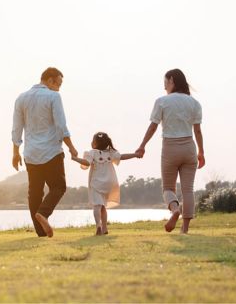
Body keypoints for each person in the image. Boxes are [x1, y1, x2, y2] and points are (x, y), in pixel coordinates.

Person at [136, 69, 205, 234]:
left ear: (172, 80)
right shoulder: (194, 103)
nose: (164, 86)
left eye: (165, 82)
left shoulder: (162, 101)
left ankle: (175, 210)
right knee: (188, 189)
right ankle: (185, 229)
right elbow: (198, 131)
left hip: (170, 147)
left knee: (168, 188)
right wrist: (201, 152)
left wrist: (142, 145)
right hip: (189, 147)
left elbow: (153, 126)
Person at [11, 67, 78, 238]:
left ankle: (40, 232)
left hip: (31, 153)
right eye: (59, 84)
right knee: (58, 187)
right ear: (50, 80)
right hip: (51, 152)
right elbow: (61, 126)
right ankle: (44, 213)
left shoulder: (21, 98)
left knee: (35, 192)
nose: (59, 88)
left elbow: (17, 129)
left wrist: (15, 152)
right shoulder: (53, 96)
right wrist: (71, 147)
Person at [72, 132, 139, 235]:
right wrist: (135, 155)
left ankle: (98, 226)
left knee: (97, 206)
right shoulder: (111, 152)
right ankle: (105, 228)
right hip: (109, 182)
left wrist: (76, 159)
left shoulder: (92, 152)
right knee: (103, 206)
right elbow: (122, 157)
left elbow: (86, 163)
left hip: (96, 183)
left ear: (95, 143)